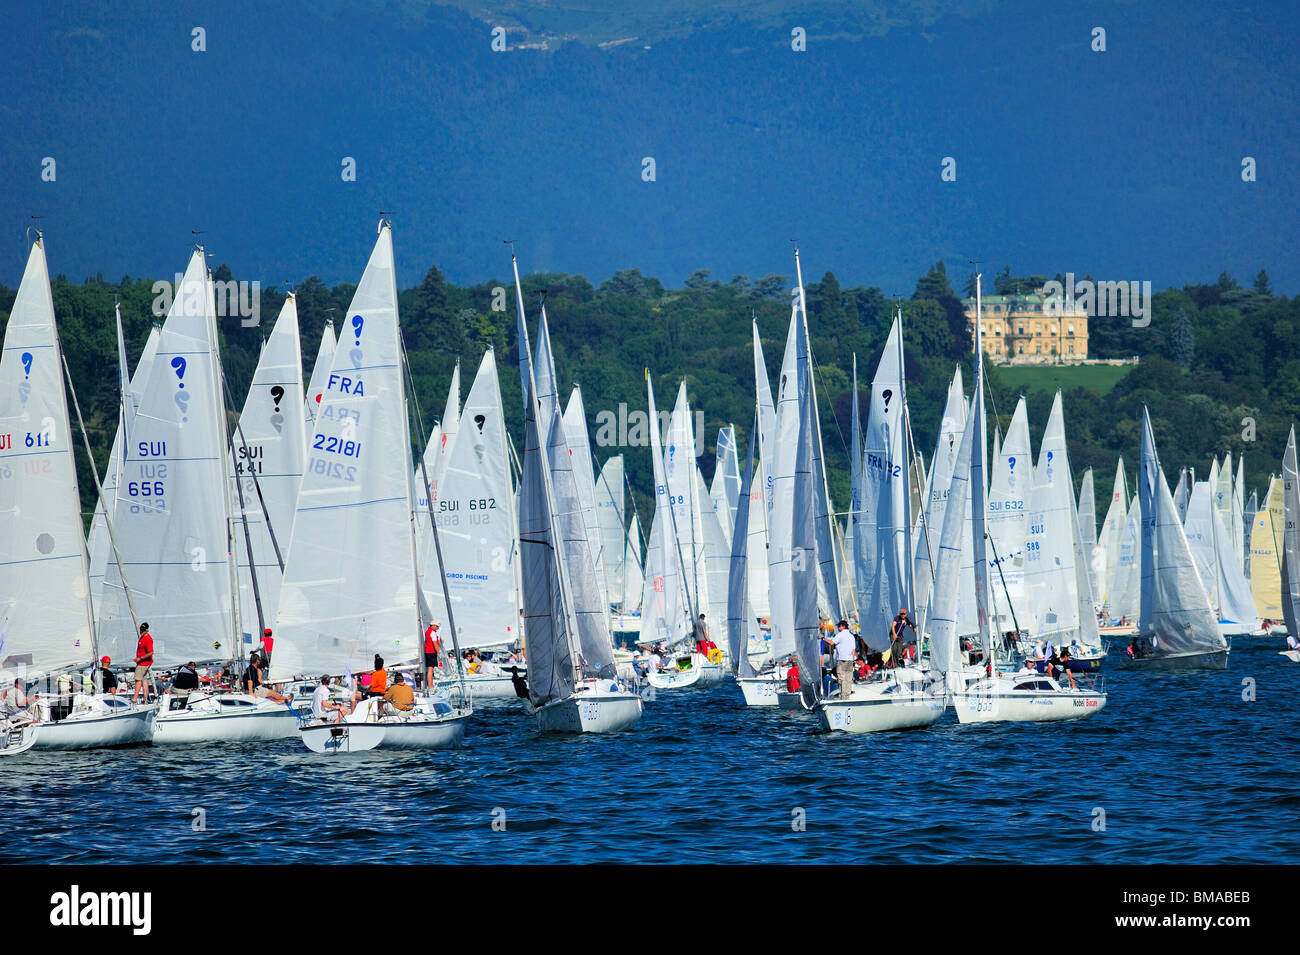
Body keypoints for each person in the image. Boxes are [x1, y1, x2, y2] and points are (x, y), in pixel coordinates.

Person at [830, 619, 856, 700]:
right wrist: (853, 660)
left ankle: (842, 697)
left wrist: (823, 638)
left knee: (842, 679)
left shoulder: (840, 635)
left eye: (839, 626)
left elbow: (831, 643)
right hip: (850, 660)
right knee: (848, 679)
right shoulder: (851, 636)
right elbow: (853, 650)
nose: (838, 628)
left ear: (843, 626)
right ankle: (847, 697)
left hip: (842, 660)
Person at [132, 622, 154, 703]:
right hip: (141, 662)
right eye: (140, 630)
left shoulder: (147, 639)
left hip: (143, 663)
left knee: (137, 680)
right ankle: (145, 699)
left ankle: (134, 698)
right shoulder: (142, 637)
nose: (141, 631)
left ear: (146, 630)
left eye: (143, 630)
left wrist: (140, 658)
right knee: (144, 680)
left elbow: (151, 652)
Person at [424, 620, 441, 689]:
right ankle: (431, 686)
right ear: (433, 625)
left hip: (427, 651)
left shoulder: (427, 632)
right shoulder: (432, 633)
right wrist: (438, 652)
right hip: (431, 652)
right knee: (430, 670)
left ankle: (430, 685)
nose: (438, 628)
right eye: (437, 626)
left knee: (430, 670)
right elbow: (435, 644)